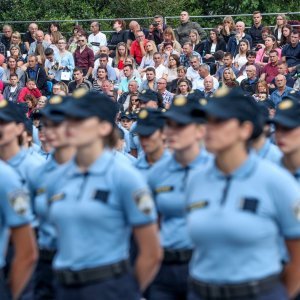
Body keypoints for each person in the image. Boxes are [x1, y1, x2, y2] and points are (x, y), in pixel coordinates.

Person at [45, 90, 162, 300]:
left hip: (108, 285)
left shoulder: (125, 177)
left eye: (81, 118)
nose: (71, 125)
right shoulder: (57, 177)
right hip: (63, 285)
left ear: (104, 127)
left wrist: (126, 291)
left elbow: (151, 252)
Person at [186, 87, 300, 300]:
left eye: (219, 121)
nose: (208, 129)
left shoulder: (276, 180)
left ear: (245, 130)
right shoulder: (196, 179)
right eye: (206, 120)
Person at [147, 95, 211, 300]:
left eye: (181, 126)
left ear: (200, 130)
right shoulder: (157, 173)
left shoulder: (215, 170)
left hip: (204, 265)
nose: (171, 132)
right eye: (169, 125)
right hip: (165, 267)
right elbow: (148, 223)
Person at [30, 94, 76, 300]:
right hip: (45, 264)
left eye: (56, 124)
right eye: (45, 124)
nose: (47, 131)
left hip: (83, 268)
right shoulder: (38, 172)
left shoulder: (99, 171)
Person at [0, 103, 38, 299]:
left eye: (3, 122)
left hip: (22, 240)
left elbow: (27, 248)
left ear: (19, 128)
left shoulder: (34, 168)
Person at [134, 108, 170, 176]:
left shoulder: (177, 167)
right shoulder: (134, 169)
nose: (143, 140)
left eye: (148, 134)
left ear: (163, 133)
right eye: (141, 135)